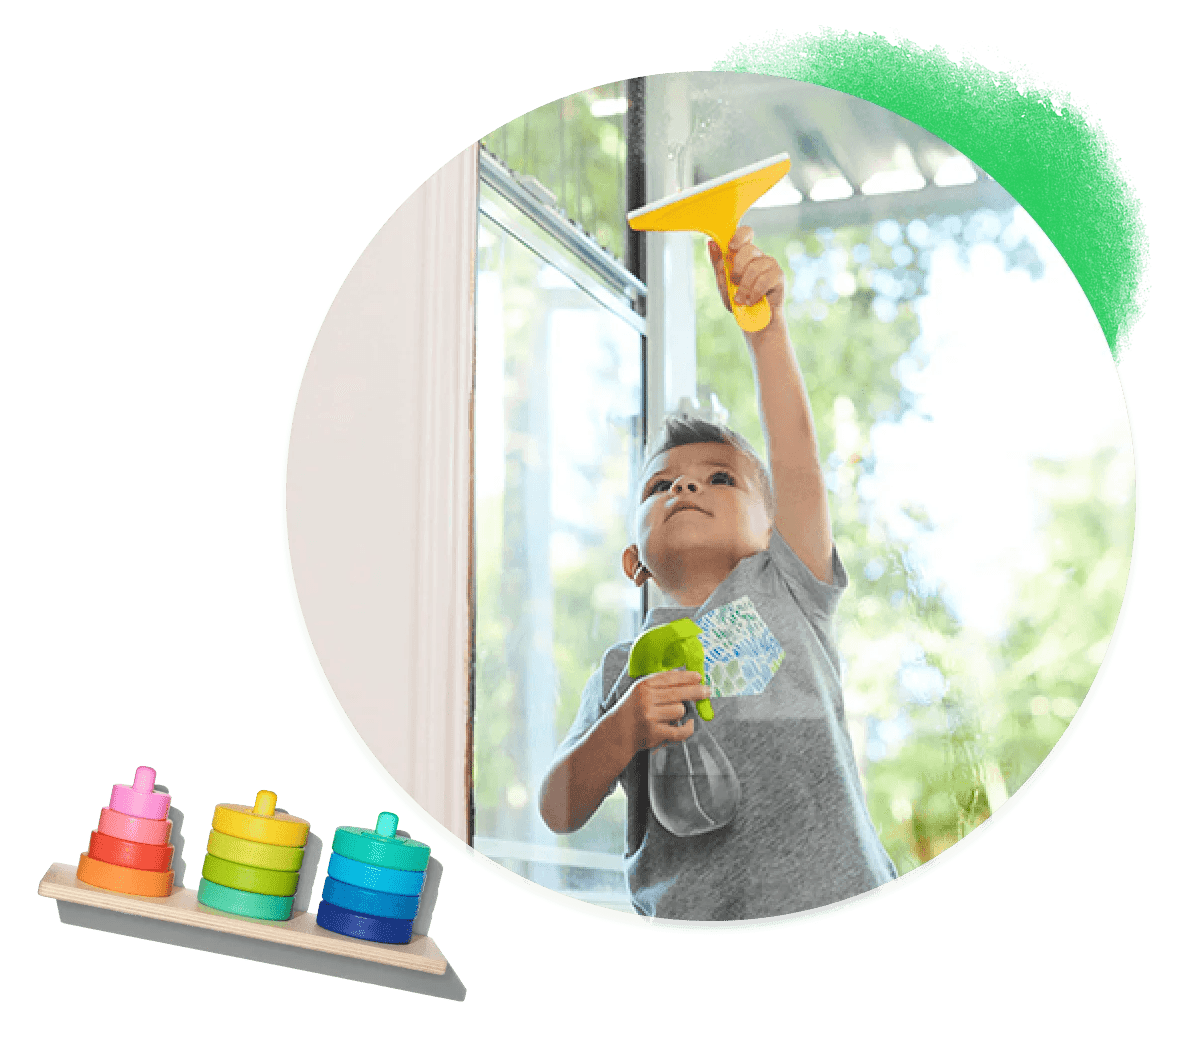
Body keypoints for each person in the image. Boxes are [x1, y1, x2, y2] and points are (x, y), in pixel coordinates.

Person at [537, 226, 898, 925]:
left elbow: (797, 459)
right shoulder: (621, 673)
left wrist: (765, 331)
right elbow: (559, 807)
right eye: (659, 486)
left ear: (772, 530)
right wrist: (623, 730)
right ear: (633, 562)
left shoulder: (789, 586)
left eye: (720, 477)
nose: (684, 490)